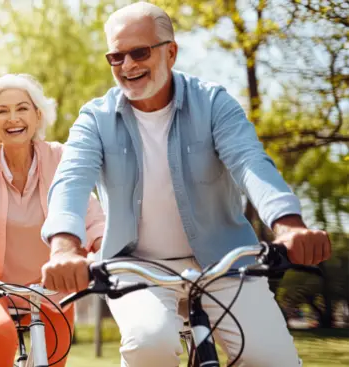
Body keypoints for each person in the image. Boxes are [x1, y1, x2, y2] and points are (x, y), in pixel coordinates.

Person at [40, 2, 331, 366]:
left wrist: (289, 226)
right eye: (116, 57)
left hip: (225, 263)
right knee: (151, 345)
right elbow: (70, 181)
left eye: (139, 52)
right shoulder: (95, 119)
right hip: (136, 267)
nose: (127, 66)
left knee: (272, 359)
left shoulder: (213, 103)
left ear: (171, 51)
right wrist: (64, 249)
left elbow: (250, 162)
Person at [0, 73, 105, 367]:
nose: (13, 118)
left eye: (22, 108)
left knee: (53, 359)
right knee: (0, 334)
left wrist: (104, 253)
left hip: (52, 287)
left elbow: (90, 214)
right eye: (2, 111)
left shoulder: (60, 158)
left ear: (38, 116)